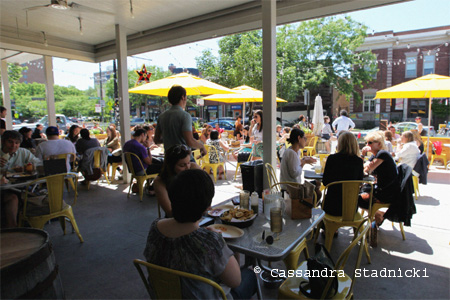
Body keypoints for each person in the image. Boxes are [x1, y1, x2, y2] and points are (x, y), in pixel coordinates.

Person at [144, 169, 257, 299]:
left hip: (164, 295)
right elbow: (235, 281)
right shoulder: (208, 242)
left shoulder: (155, 228)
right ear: (207, 207)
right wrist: (222, 243)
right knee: (249, 274)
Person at [1, 131, 41, 228]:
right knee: (13, 198)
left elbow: (38, 164)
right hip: (3, 189)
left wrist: (26, 167)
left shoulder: (23, 152)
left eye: (17, 143)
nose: (13, 145)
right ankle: (13, 228)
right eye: (10, 142)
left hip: (18, 186)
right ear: (3, 142)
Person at [154, 85, 206, 157]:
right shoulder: (185, 116)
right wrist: (201, 146)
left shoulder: (161, 116)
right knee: (197, 168)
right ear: (183, 97)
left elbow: (156, 140)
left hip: (168, 159)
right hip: (183, 159)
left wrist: (169, 139)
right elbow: (190, 141)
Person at [360, 131, 400, 225]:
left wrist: (367, 167)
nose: (367, 144)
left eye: (370, 142)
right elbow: (361, 167)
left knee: (358, 198)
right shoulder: (375, 155)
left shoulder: (382, 154)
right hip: (383, 188)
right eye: (367, 142)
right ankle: (378, 215)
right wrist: (362, 154)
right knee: (359, 193)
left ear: (378, 143)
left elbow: (367, 169)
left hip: (387, 192)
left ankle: (378, 215)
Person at [322, 132, 364, 216]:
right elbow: (360, 182)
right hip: (351, 208)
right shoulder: (358, 161)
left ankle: (328, 228)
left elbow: (325, 182)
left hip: (332, 206)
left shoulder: (332, 159)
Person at [153, 144, 201, 217]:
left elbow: (207, 185)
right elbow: (170, 212)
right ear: (171, 166)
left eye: (188, 162)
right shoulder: (160, 182)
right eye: (182, 165)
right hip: (177, 219)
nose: (187, 167)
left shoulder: (193, 167)